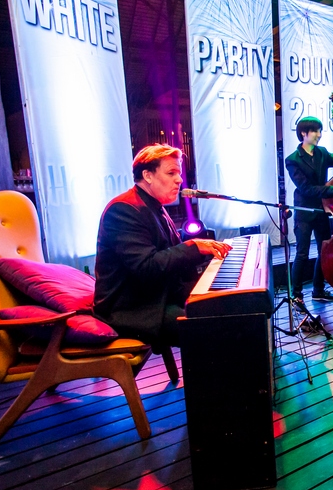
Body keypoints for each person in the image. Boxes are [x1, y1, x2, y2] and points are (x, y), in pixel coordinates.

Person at [94, 144, 232, 346]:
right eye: (171, 173)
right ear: (148, 175)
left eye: (179, 173)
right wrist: (194, 247)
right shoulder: (123, 209)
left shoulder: (152, 205)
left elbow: (169, 255)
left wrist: (210, 260)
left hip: (157, 295)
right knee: (209, 328)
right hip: (132, 308)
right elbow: (147, 266)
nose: (180, 179)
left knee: (228, 304)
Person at [285, 116, 333, 305]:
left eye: (320, 131)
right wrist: (331, 190)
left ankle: (318, 290)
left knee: (323, 251)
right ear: (304, 133)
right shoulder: (292, 160)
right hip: (304, 210)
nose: (319, 135)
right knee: (302, 253)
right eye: (315, 131)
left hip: (322, 209)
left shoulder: (322, 153)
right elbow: (305, 188)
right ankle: (296, 295)